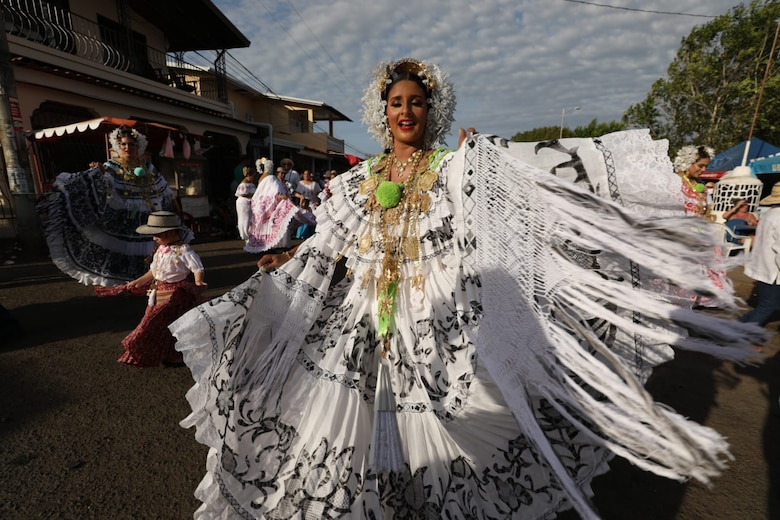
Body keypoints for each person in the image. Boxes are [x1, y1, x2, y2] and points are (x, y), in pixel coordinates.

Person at [170, 58, 761, 519]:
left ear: (432, 110)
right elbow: (332, 241)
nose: (406, 111)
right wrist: (286, 256)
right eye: (396, 103)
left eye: (416, 102)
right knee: (350, 421)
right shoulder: (358, 179)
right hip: (362, 315)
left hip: (430, 312)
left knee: (440, 419)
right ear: (382, 113)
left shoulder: (451, 168)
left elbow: (516, 197)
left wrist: (483, 165)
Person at [37, 125, 180, 286]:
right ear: (118, 146)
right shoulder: (112, 167)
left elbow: (163, 190)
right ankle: (131, 281)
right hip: (124, 217)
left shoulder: (148, 167)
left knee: (151, 247)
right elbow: (102, 186)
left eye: (131, 144)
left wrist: (172, 209)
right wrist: (97, 172)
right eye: (123, 144)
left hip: (148, 216)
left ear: (138, 146)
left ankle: (149, 279)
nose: (127, 147)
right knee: (125, 249)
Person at [120, 211, 206, 367]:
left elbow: (197, 267)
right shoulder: (160, 249)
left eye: (157, 235)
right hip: (158, 292)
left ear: (171, 233)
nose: (154, 238)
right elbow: (154, 271)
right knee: (160, 324)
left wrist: (198, 281)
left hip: (176, 295)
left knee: (171, 324)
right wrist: (139, 281)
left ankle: (174, 355)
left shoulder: (184, 250)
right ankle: (161, 353)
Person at [244, 165, 312, 253]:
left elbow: (292, 192)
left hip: (284, 206)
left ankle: (284, 246)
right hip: (276, 207)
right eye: (281, 173)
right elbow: (272, 192)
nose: (283, 175)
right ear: (277, 173)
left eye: (284, 173)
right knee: (276, 226)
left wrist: (300, 196)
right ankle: (276, 246)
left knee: (285, 226)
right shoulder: (273, 181)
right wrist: (279, 196)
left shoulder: (286, 184)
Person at [738, 184, 780, 327]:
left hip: (764, 266)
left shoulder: (770, 213)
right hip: (773, 271)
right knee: (767, 307)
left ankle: (737, 325)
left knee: (766, 305)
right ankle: (740, 332)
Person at [674, 144, 715, 217]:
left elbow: (709, 210)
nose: (704, 170)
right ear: (688, 163)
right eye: (700, 166)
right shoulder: (674, 183)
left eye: (706, 166)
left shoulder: (701, 186)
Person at [234, 165, 258, 241]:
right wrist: (252, 195)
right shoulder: (243, 184)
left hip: (249, 202)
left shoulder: (251, 184)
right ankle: (244, 234)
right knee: (245, 218)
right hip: (244, 203)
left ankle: (250, 233)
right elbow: (242, 194)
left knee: (249, 218)